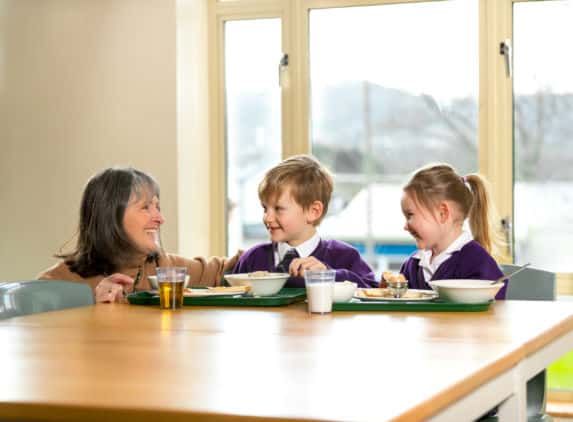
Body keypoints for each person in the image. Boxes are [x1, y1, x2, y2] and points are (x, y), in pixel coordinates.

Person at [37, 167, 240, 303]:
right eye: (146, 207)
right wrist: (93, 310)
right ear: (111, 216)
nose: (160, 219)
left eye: (157, 207)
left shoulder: (164, 268)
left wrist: (271, 238)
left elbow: (231, 269)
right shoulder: (55, 287)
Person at [232, 155, 377, 288]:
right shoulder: (252, 259)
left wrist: (329, 275)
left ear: (313, 211)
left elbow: (374, 292)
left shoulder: (345, 256)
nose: (267, 218)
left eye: (278, 209)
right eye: (265, 208)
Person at [399, 163, 507, 299]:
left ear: (442, 213)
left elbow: (492, 313)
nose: (405, 226)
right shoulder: (412, 265)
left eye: (410, 215)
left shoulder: (478, 263)